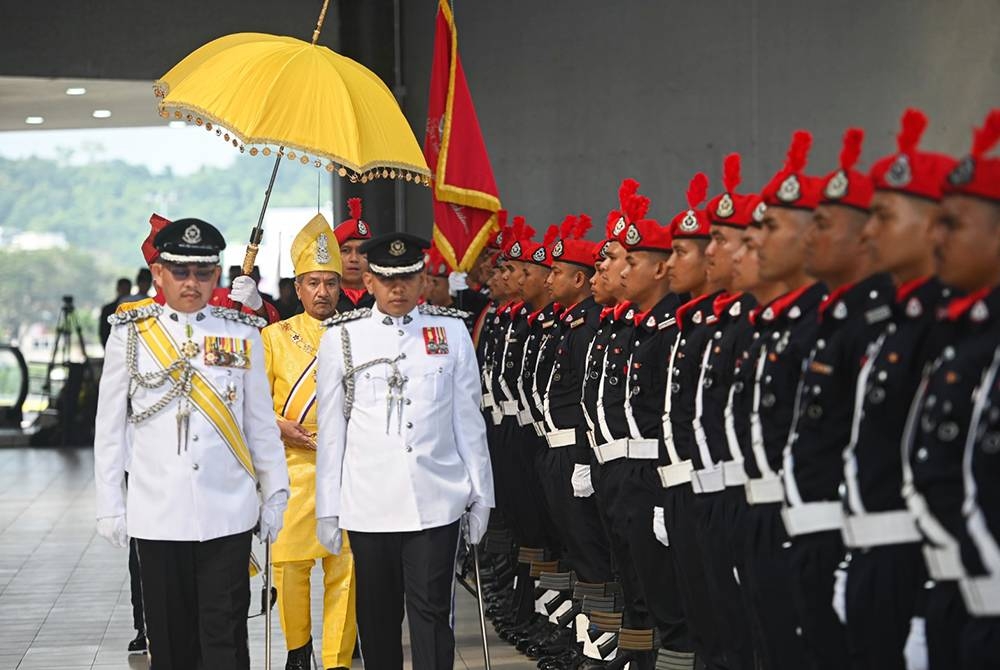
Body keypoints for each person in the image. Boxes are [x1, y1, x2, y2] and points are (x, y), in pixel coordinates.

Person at [93, 217, 290, 670]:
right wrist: (110, 503)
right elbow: (108, 427)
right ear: (158, 273)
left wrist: (275, 492)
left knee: (225, 640)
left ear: (217, 275)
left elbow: (259, 424)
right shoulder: (131, 333)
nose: (192, 283)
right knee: (172, 642)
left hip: (229, 512)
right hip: (158, 513)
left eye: (203, 273)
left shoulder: (241, 333)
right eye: (180, 272)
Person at [314, 231, 494, 670]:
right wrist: (327, 506)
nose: (398, 289)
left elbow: (468, 420)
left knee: (431, 611)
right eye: (387, 279)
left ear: (422, 280)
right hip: (369, 501)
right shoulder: (342, 337)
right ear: (369, 281)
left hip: (436, 497)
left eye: (408, 278)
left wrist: (482, 494)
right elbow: (332, 428)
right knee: (377, 615)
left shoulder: (450, 332)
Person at [261, 213, 358, 670]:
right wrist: (280, 425)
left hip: (347, 466)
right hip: (293, 466)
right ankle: (299, 651)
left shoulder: (357, 333)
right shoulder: (272, 337)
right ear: (297, 287)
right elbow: (251, 403)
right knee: (291, 567)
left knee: (346, 569)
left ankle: (338, 659)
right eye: (313, 283)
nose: (323, 292)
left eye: (330, 283)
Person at [333, 197, 376, 314]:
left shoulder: (382, 297)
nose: (354, 259)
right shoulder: (324, 299)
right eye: (345, 251)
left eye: (361, 251)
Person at [100, 277, 132, 347]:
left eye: (127, 289)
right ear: (118, 289)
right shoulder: (108, 309)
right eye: (123, 289)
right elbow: (104, 332)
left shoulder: (134, 309)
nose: (125, 292)